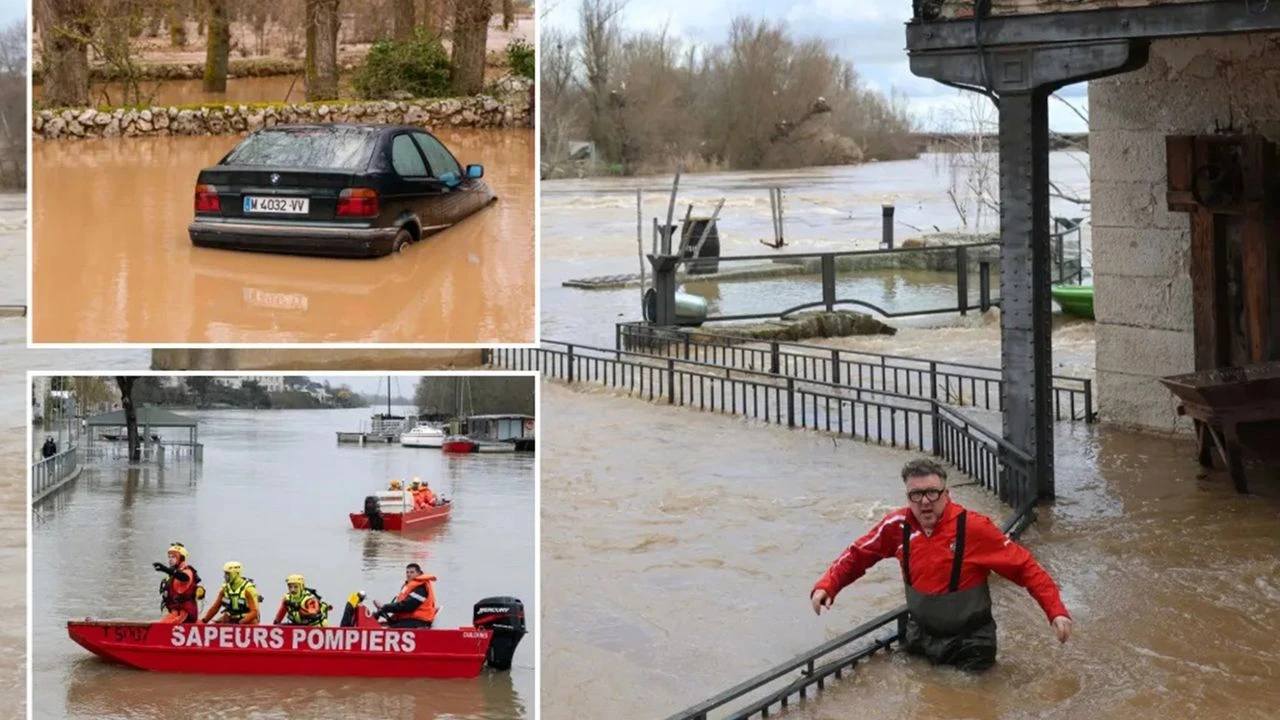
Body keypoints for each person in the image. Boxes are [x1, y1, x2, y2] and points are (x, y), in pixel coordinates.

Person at [810, 458, 1072, 672]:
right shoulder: (896, 526)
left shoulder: (973, 528)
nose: (925, 502)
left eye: (932, 493)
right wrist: (828, 585)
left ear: (946, 494)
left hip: (970, 642)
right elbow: (859, 554)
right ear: (908, 496)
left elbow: (1024, 567)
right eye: (916, 494)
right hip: (921, 635)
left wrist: (1056, 611)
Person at [372, 563, 438, 628]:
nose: (408, 574)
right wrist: (383, 610)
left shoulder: (421, 588)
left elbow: (408, 606)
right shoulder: (412, 586)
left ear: (419, 573)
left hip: (419, 621)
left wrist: (385, 607)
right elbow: (402, 605)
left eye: (412, 572)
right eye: (407, 572)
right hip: (410, 619)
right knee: (382, 625)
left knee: (389, 628)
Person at [153, 543, 203, 624]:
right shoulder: (173, 575)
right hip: (175, 612)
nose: (170, 559)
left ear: (181, 558)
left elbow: (184, 577)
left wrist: (165, 569)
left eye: (173, 557)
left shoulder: (187, 571)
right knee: (162, 623)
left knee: (165, 627)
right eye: (169, 557)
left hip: (186, 613)